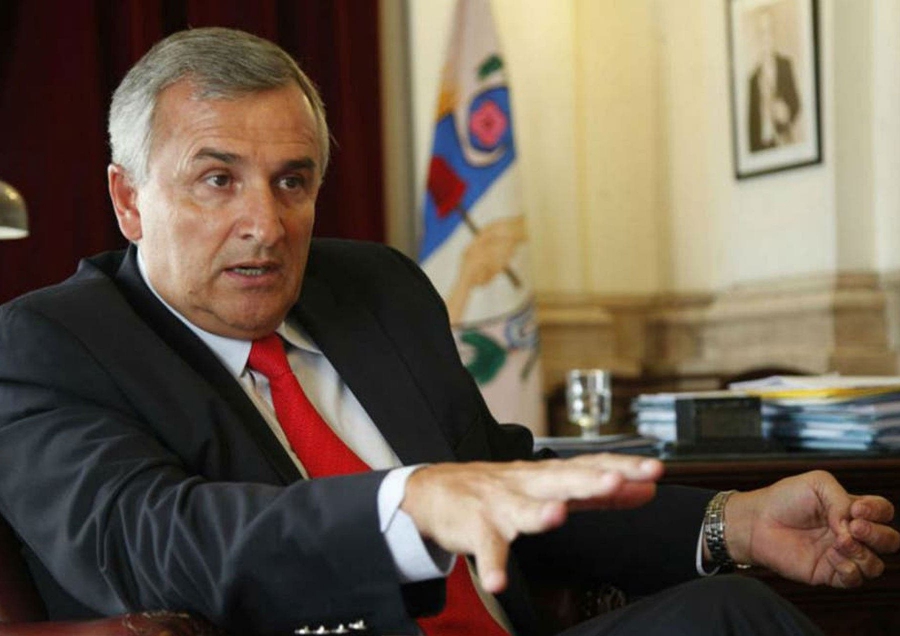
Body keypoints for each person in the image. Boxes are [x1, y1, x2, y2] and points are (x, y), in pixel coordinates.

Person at [0, 27, 896, 636]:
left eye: (292, 181)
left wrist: (733, 523)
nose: (265, 225)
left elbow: (503, 484)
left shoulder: (373, 290)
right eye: (217, 180)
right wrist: (409, 503)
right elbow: (154, 541)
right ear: (129, 200)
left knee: (735, 613)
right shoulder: (50, 343)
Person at [747, 7, 801, 152]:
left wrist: (787, 112)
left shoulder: (785, 66)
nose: (766, 38)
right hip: (761, 148)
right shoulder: (753, 80)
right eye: (762, 33)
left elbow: (796, 103)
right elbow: (750, 127)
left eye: (769, 31)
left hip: (783, 144)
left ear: (774, 35)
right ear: (757, 38)